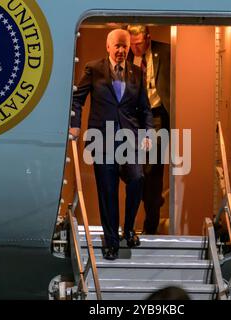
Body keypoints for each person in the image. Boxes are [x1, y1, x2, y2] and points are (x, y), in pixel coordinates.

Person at [69, 29, 153, 260]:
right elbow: (77, 98)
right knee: (108, 192)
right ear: (108, 47)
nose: (121, 50)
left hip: (130, 141)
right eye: (117, 45)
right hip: (102, 140)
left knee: (137, 179)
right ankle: (111, 242)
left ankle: (128, 230)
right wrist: (75, 124)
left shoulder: (137, 72)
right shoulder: (94, 69)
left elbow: (145, 109)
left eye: (124, 46)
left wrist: (148, 134)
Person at [127, 25, 171, 235]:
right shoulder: (124, 56)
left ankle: (150, 224)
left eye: (138, 44)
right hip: (134, 120)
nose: (135, 48)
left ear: (148, 39)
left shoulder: (166, 51)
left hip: (156, 117)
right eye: (132, 44)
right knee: (135, 171)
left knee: (152, 170)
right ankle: (151, 203)